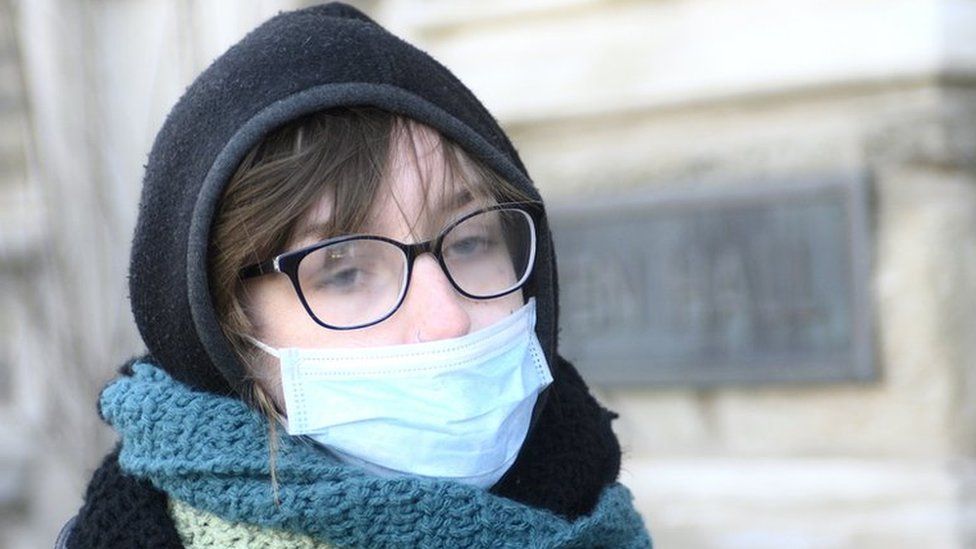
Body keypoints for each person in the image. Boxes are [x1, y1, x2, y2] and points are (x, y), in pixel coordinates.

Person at [61, 3, 651, 548]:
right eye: (343, 273)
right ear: (225, 329)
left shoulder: (592, 506)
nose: (447, 320)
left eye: (470, 241)